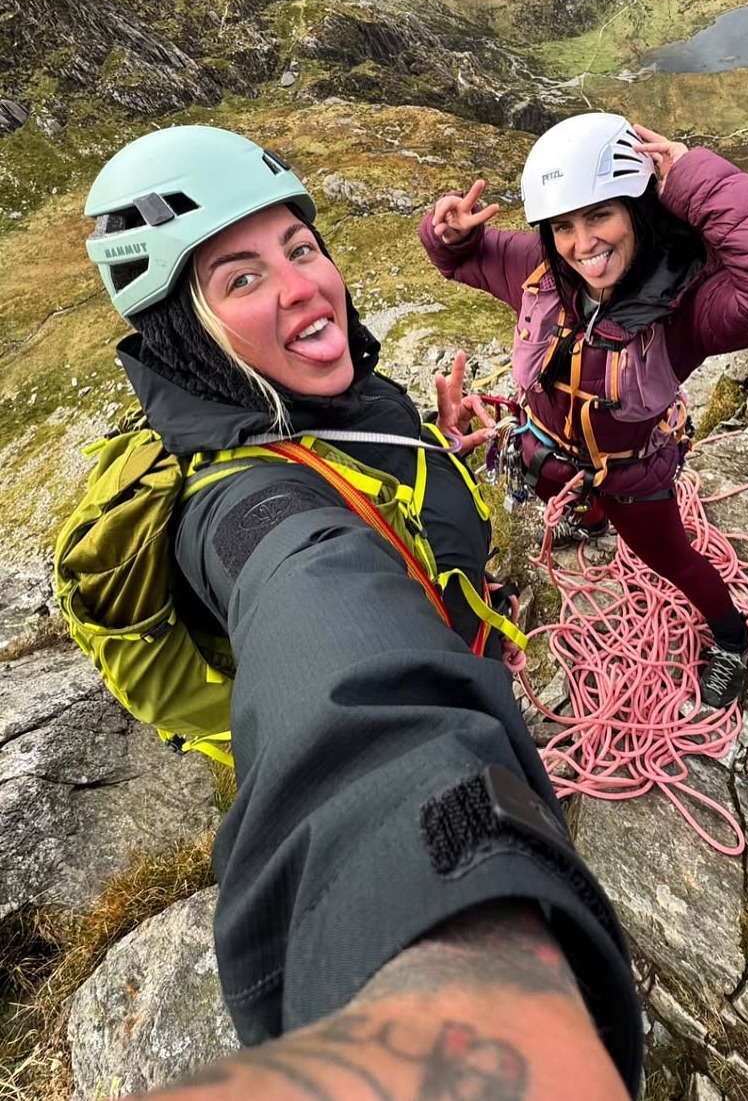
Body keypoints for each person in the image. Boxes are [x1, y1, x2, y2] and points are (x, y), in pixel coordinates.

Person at [83, 124, 642, 1098]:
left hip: (461, 649)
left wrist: (440, 448)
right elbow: (326, 623)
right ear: (183, 329)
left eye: (300, 248)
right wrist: (443, 937)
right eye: (241, 277)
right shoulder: (248, 508)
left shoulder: (320, 396)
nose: (303, 287)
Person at [420, 113, 748, 710]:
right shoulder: (538, 269)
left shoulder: (687, 306)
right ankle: (589, 519)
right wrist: (448, 236)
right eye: (563, 225)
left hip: (631, 472)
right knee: (569, 497)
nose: (582, 244)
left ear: (637, 208)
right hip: (550, 456)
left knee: (670, 558)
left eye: (600, 215)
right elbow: (459, 259)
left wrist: (690, 178)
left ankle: (731, 637)